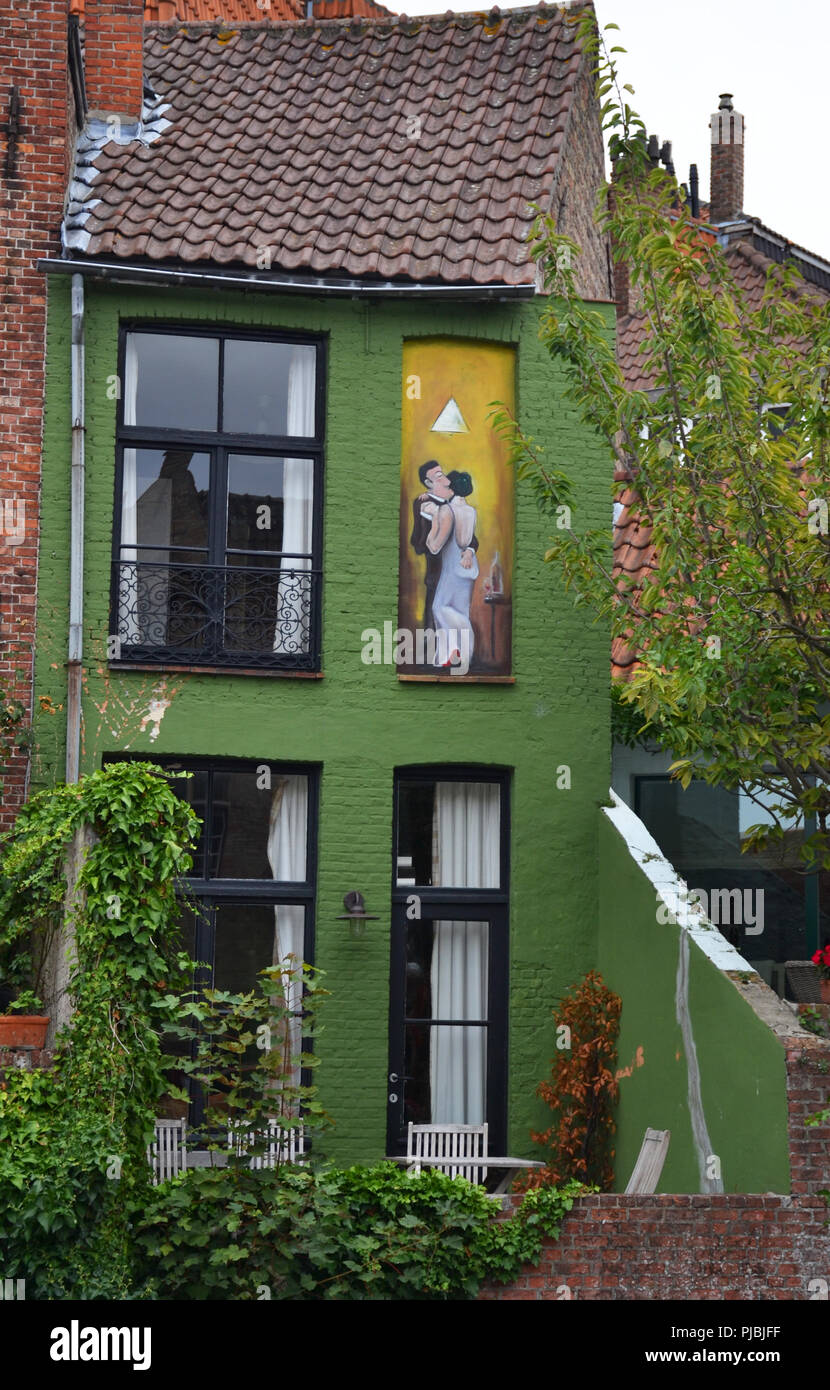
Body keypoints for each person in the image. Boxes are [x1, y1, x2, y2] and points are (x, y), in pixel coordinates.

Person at [410, 461, 477, 631]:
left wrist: (469, 551)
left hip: (455, 570)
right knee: (436, 617)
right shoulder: (423, 504)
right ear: (428, 483)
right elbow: (419, 540)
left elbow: (472, 539)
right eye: (438, 476)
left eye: (443, 474)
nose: (445, 479)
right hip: (438, 571)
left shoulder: (453, 506)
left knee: (451, 613)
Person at [427, 469, 479, 667]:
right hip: (468, 568)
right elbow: (468, 541)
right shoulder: (471, 511)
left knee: (439, 608)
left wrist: (433, 521)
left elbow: (434, 547)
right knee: (460, 610)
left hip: (452, 568)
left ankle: (451, 651)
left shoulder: (447, 510)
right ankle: (454, 656)